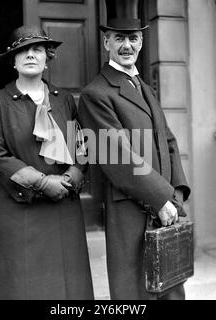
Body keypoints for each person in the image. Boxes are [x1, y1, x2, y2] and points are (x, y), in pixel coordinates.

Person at [78, 1, 191, 300]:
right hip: (131, 209)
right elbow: (118, 155)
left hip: (165, 205)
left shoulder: (145, 87)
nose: (127, 45)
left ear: (141, 41)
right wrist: (160, 198)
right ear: (106, 42)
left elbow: (169, 141)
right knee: (136, 292)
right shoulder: (96, 94)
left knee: (172, 288)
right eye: (119, 38)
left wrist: (176, 194)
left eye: (133, 38)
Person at [0, 25, 94, 300]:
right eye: (22, 50)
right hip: (20, 211)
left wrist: (73, 175)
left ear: (48, 58)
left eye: (37, 49)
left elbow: (81, 146)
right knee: (25, 288)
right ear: (13, 60)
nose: (30, 55)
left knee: (68, 287)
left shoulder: (65, 99)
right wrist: (43, 182)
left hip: (63, 207)